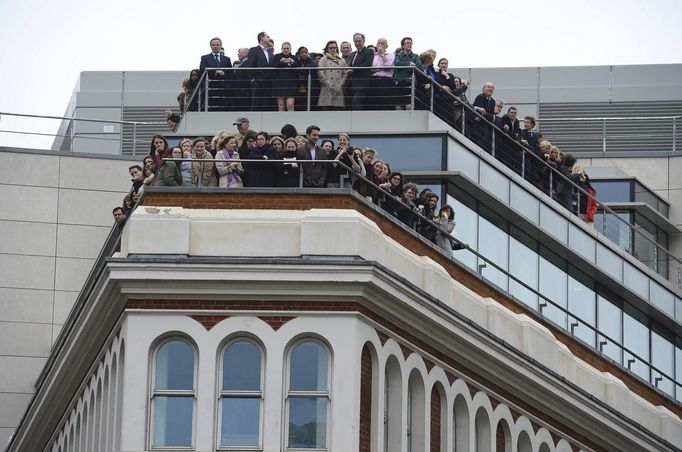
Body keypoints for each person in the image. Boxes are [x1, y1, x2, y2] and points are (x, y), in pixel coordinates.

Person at [199, 37, 233, 110]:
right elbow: (202, 69)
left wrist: (224, 74)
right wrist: (215, 71)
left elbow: (230, 73)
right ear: (210, 46)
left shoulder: (226, 59)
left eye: (217, 45)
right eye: (213, 45)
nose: (215, 46)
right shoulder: (205, 58)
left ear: (220, 46)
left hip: (224, 89)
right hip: (211, 88)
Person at [244, 31, 275, 110]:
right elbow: (250, 65)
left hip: (269, 82)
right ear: (262, 38)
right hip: (258, 81)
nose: (269, 38)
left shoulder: (269, 52)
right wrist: (253, 79)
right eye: (267, 37)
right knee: (256, 104)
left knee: (266, 105)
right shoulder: (254, 50)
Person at [318, 40, 349, 110]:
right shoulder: (323, 59)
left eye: (334, 48)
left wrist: (341, 83)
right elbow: (320, 72)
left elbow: (345, 73)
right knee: (326, 114)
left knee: (337, 115)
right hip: (326, 89)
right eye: (331, 48)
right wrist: (327, 83)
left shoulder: (342, 60)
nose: (333, 49)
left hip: (338, 89)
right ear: (327, 49)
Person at [394, 37, 420, 109]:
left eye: (411, 43)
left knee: (409, 106)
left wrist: (404, 67)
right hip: (400, 82)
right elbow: (397, 64)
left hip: (410, 82)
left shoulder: (416, 56)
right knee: (399, 106)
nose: (410, 44)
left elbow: (419, 67)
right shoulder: (398, 55)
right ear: (403, 46)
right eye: (407, 43)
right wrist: (409, 64)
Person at [349, 33, 374, 110]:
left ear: (364, 41)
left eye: (359, 41)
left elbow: (367, 65)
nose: (357, 43)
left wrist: (352, 69)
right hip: (352, 83)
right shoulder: (353, 54)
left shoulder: (369, 51)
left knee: (357, 103)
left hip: (362, 83)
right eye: (355, 41)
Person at [272, 42, 299, 111]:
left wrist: (292, 63)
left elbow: (298, 71)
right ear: (281, 49)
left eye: (287, 48)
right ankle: (281, 121)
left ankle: (291, 121)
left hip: (291, 84)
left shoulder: (294, 58)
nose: (286, 50)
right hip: (279, 84)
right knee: (281, 106)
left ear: (290, 49)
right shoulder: (277, 56)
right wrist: (280, 63)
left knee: (290, 104)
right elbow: (272, 68)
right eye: (284, 48)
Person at [369, 37, 395, 109]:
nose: (380, 45)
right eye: (378, 43)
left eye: (382, 44)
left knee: (385, 103)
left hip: (386, 81)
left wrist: (382, 54)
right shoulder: (373, 56)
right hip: (374, 80)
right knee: (374, 103)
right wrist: (382, 68)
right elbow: (370, 69)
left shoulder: (391, 55)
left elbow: (388, 67)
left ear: (386, 46)